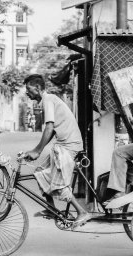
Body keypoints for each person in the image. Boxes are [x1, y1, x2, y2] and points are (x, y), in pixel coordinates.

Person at [23, 74, 92, 229]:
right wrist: (36, 150)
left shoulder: (48, 100)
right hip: (63, 145)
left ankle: (82, 212)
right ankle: (51, 209)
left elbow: (49, 128)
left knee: (59, 182)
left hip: (69, 146)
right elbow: (53, 130)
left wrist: (37, 151)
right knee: (41, 171)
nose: (27, 93)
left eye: (28, 89)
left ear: (38, 88)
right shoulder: (48, 101)